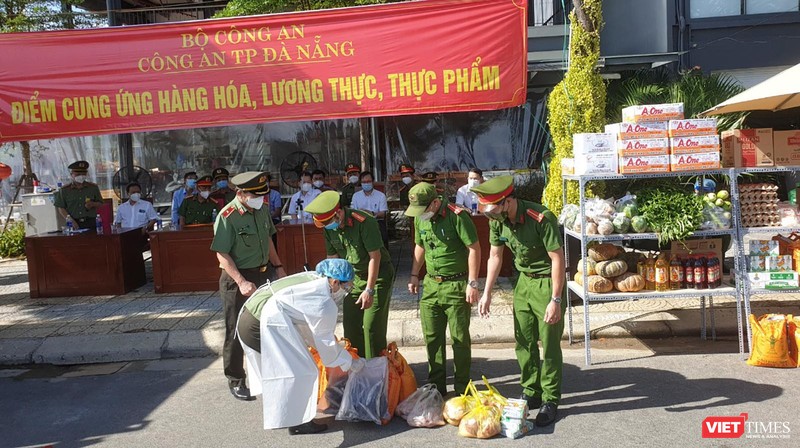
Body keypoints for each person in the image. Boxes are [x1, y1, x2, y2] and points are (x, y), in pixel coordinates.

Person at [471, 175, 565, 427]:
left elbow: (558, 259)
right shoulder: (497, 220)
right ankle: (531, 391)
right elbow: (494, 256)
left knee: (550, 343)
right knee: (523, 340)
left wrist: (555, 299)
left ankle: (550, 398)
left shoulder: (541, 218)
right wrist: (487, 291)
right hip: (523, 282)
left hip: (546, 282)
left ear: (508, 201)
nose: (490, 216)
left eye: (493, 210)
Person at [237, 258, 365, 435]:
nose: (345, 292)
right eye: (346, 287)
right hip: (257, 323)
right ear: (335, 281)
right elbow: (327, 348)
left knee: (294, 368)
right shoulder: (324, 301)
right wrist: (349, 362)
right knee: (303, 371)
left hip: (252, 316)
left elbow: (310, 328)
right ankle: (299, 422)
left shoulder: (314, 279)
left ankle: (290, 415)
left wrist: (329, 348)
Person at [211, 171, 287, 401]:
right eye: (256, 195)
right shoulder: (228, 215)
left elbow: (269, 241)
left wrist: (280, 266)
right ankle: (236, 379)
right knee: (235, 330)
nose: (261, 199)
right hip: (238, 280)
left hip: (264, 274)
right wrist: (241, 281)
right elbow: (222, 254)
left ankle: (267, 373)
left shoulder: (261, 210)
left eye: (263, 195)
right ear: (241, 193)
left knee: (266, 326)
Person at [405, 182, 480, 395]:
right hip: (430, 285)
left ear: (436, 203)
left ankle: (462, 388)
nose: (420, 215)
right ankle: (436, 387)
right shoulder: (421, 218)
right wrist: (414, 274)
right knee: (432, 337)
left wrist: (472, 283)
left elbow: (474, 248)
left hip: (456, 285)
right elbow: (420, 245)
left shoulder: (458, 216)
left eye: (423, 209)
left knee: (459, 339)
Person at [305, 190, 395, 359]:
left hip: (377, 277)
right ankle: (357, 367)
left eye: (329, 222)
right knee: (351, 326)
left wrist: (369, 290)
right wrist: (330, 285)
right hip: (352, 279)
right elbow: (333, 260)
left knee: (371, 327)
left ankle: (377, 370)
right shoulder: (328, 227)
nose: (327, 227)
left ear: (338, 213)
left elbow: (375, 257)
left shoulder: (364, 222)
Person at [54, 160, 104, 230]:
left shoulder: (93, 188)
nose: (81, 176)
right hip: (73, 222)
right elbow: (61, 208)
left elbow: (101, 203)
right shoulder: (65, 190)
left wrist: (93, 204)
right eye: (78, 174)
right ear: (72, 175)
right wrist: (71, 220)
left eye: (83, 174)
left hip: (90, 222)